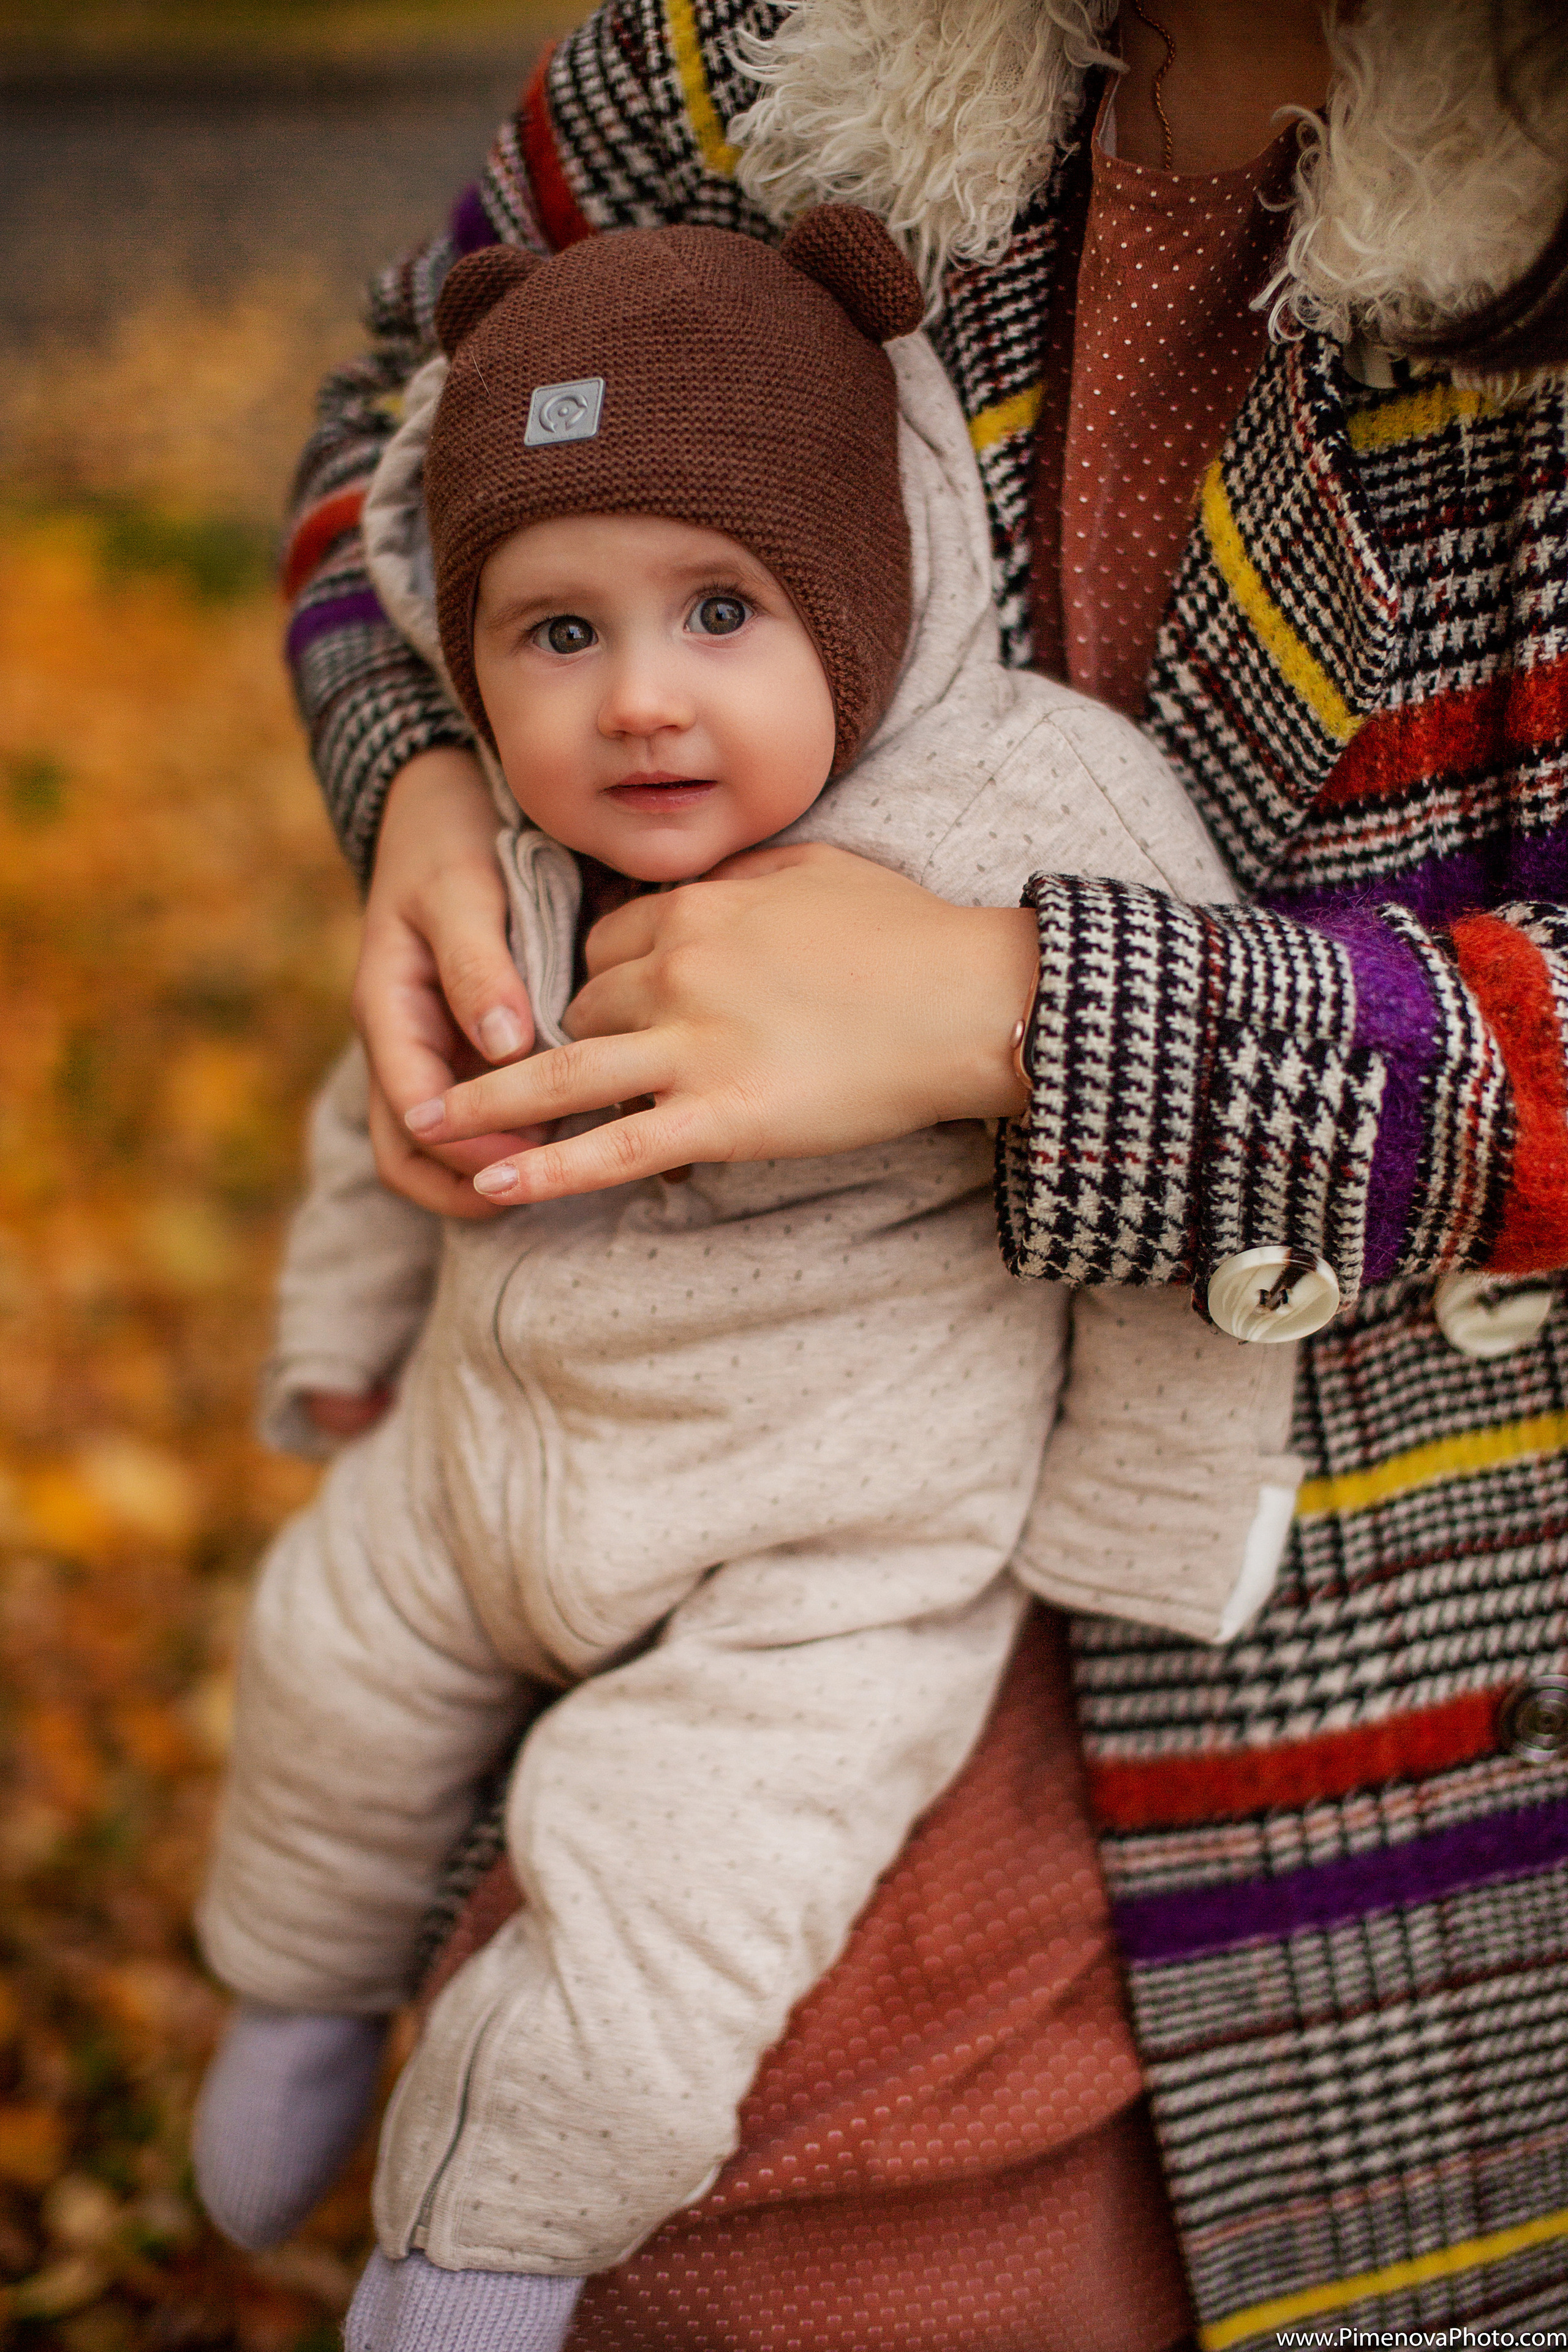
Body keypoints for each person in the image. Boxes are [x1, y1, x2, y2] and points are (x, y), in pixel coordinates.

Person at [268, 1, 1568, 2345]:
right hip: (681, 1494)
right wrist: (433, 770)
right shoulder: (770, 40)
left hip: (1384, 1648)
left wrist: (1035, 1019)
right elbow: (396, 410)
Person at [195, 203, 1297, 2351]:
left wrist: (1138, 1521)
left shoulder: (1023, 822)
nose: (645, 704)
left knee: (671, 1886)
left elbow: (1203, 1210)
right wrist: (341, 1338)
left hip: (839, 1535)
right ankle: (291, 2007)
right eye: (559, 635)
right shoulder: (506, 839)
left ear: (862, 591)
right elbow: (384, 1089)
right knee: (323, 1663)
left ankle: (478, 2255)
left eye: (721, 609)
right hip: (496, 1457)